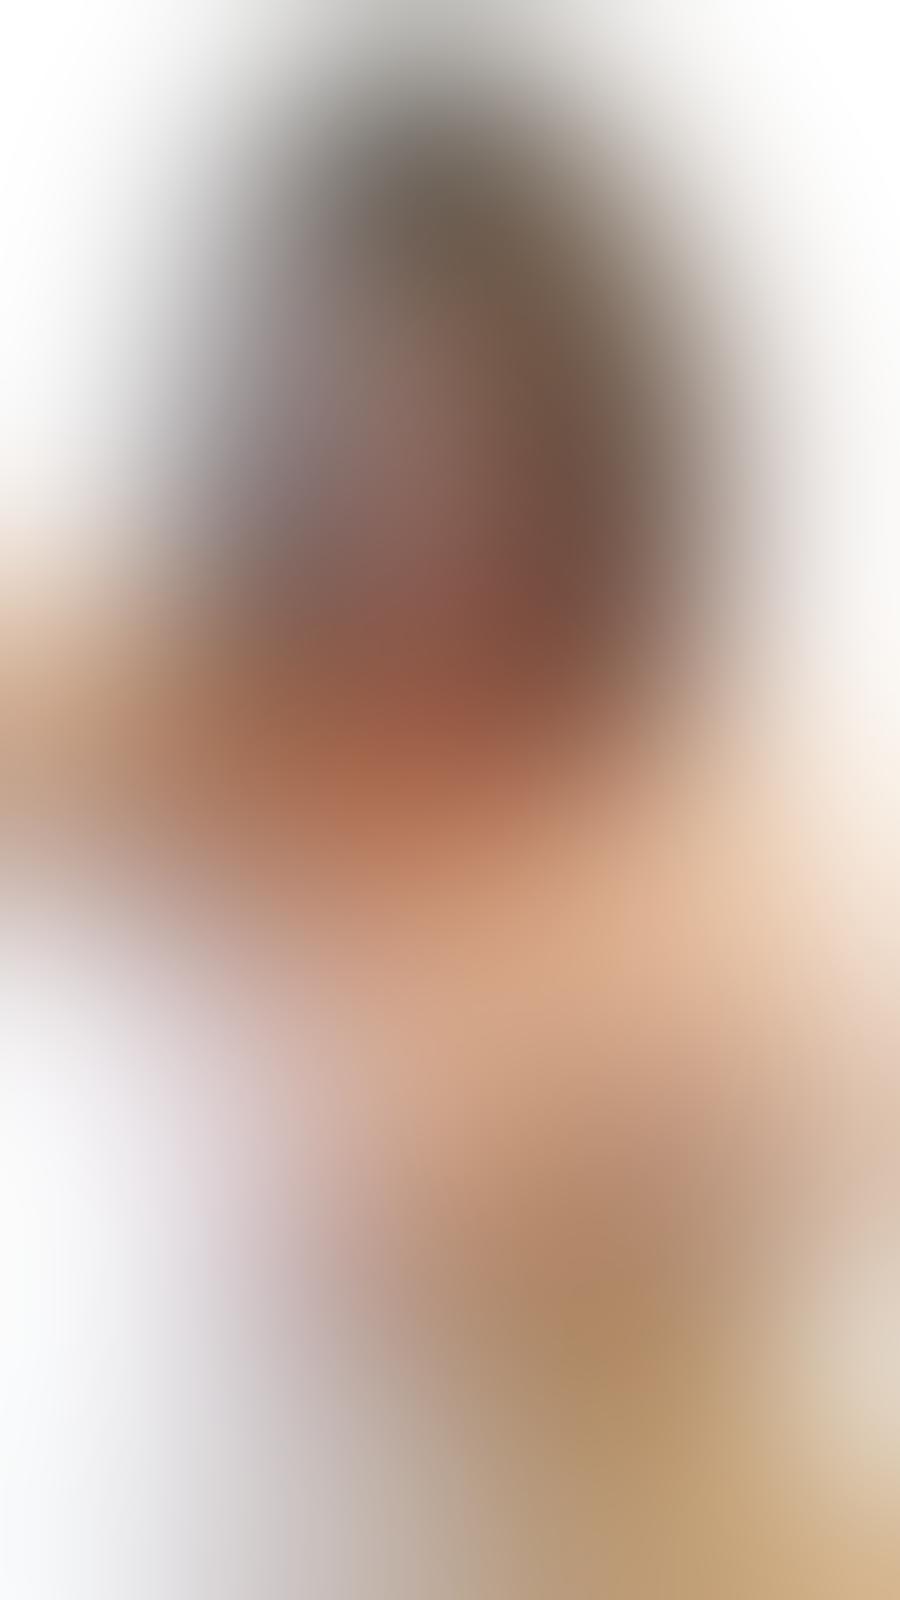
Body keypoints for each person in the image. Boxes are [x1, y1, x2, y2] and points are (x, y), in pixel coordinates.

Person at [7, 89, 896, 1597]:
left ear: (591, 459)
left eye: (485, 448)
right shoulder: (237, 724)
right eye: (365, 436)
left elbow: (820, 1079)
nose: (425, 514)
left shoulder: (688, 833)